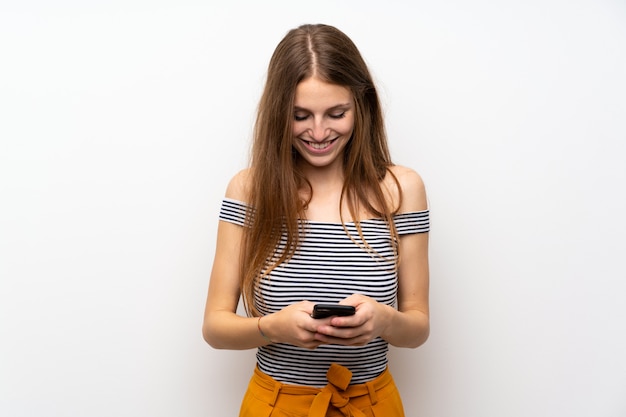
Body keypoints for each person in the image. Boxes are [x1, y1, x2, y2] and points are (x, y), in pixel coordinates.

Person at [202, 23, 430, 417]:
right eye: (300, 115)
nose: (319, 132)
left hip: (372, 404)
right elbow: (215, 327)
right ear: (277, 113)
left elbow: (418, 327)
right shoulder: (248, 189)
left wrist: (384, 321)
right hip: (274, 405)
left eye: (336, 113)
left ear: (362, 106)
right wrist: (270, 328)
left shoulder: (402, 189)